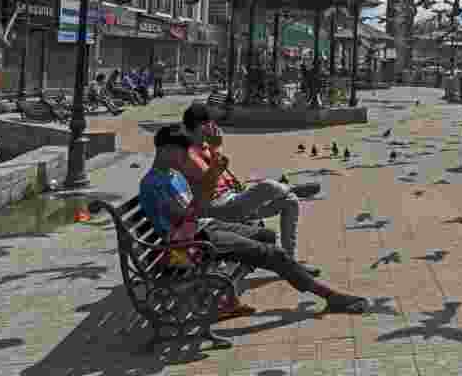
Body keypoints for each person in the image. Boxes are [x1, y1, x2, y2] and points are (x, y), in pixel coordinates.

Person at [140, 125, 368, 314]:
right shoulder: (153, 184)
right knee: (273, 253)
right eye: (183, 152)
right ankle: (329, 295)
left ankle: (231, 297)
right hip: (189, 244)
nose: (186, 158)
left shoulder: (173, 176)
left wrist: (213, 180)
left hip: (202, 228)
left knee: (266, 235)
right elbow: (185, 217)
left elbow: (196, 210)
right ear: (167, 150)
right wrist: (210, 179)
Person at [177, 104, 321, 276]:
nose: (214, 128)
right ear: (201, 126)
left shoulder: (204, 146)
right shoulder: (189, 154)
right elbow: (210, 185)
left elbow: (222, 176)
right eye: (210, 124)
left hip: (233, 201)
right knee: (270, 186)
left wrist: (233, 179)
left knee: (290, 202)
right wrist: (217, 148)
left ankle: (290, 264)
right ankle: (291, 188)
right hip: (219, 210)